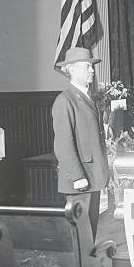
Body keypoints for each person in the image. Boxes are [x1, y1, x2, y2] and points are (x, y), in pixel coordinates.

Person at [52, 47, 109, 239]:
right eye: (87, 67)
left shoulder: (87, 98)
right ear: (72, 69)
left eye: (91, 66)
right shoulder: (65, 101)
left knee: (89, 232)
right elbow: (63, 144)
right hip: (81, 180)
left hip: (92, 176)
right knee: (81, 236)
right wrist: (77, 176)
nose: (92, 70)